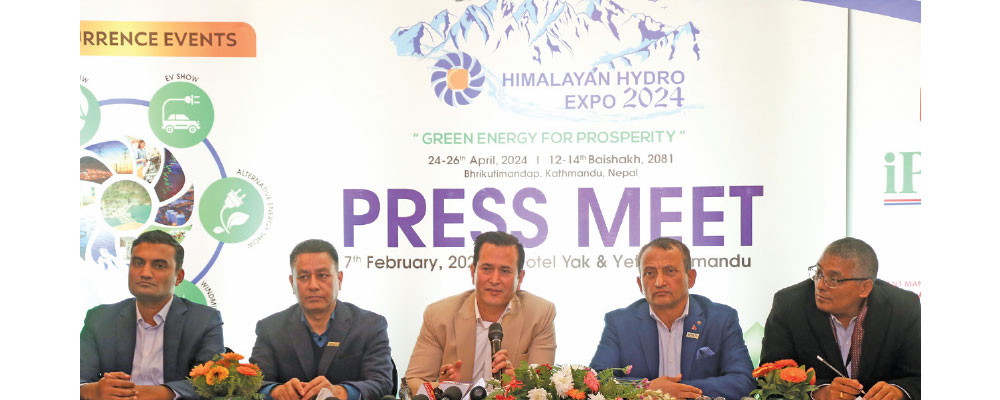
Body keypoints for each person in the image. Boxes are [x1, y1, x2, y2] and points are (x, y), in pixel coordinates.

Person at [590, 237, 755, 400]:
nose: (659, 282)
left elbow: (744, 381)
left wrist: (677, 391)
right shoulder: (619, 323)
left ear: (691, 278)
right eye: (650, 273)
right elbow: (597, 382)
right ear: (640, 284)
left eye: (670, 271)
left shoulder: (721, 319)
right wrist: (645, 389)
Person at [759, 237, 920, 400]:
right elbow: (769, 377)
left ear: (865, 288)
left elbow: (919, 376)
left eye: (834, 280)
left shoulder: (903, 308)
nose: (820, 285)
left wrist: (898, 391)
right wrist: (819, 393)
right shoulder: (790, 305)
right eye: (818, 274)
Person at [80, 230, 224, 400]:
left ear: (179, 277)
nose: (145, 273)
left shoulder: (204, 321)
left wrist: (157, 393)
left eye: (159, 265)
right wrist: (91, 391)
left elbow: (213, 382)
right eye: (138, 263)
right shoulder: (100, 318)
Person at [404, 231, 556, 392]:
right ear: (473, 272)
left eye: (505, 271)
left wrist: (515, 386)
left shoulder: (540, 314)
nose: (495, 280)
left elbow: (542, 389)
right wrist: (443, 389)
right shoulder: (439, 315)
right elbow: (412, 382)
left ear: (520, 278)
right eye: (487, 269)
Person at [250, 239, 394, 400]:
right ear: (292, 282)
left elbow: (382, 383)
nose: (313, 285)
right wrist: (275, 391)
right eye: (304, 277)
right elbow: (253, 383)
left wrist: (341, 391)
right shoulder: (270, 328)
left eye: (322, 276)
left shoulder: (370, 326)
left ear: (339, 279)